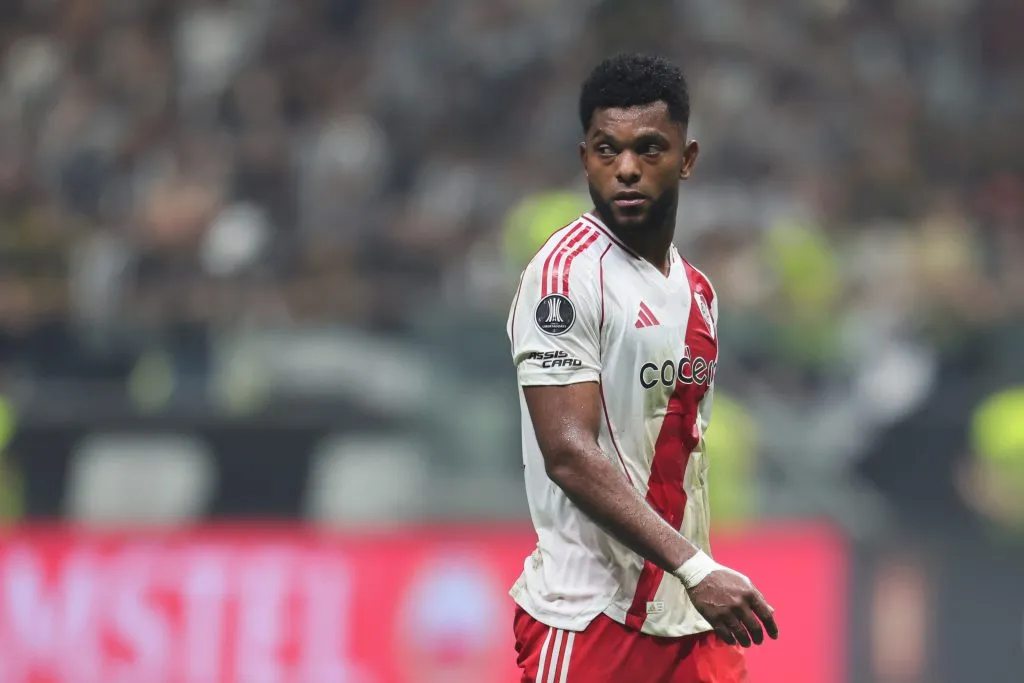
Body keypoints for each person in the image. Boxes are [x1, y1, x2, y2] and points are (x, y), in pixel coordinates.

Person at [507, 53, 778, 682]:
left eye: (649, 149)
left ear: (686, 160)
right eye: (608, 150)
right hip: (591, 618)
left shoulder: (698, 293)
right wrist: (695, 564)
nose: (626, 168)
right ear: (585, 159)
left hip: (687, 619)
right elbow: (569, 453)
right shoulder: (566, 277)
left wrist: (693, 573)